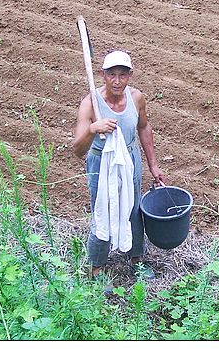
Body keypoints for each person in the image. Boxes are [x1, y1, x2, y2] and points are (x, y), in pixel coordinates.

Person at [73, 50, 166, 278]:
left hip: (130, 157)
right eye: (111, 75)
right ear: (102, 74)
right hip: (100, 161)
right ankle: (97, 268)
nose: (117, 81)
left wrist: (153, 166)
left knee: (133, 208)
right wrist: (93, 129)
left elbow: (143, 127)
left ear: (130, 75)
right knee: (102, 210)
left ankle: (136, 259)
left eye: (122, 75)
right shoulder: (90, 103)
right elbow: (78, 149)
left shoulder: (136, 99)